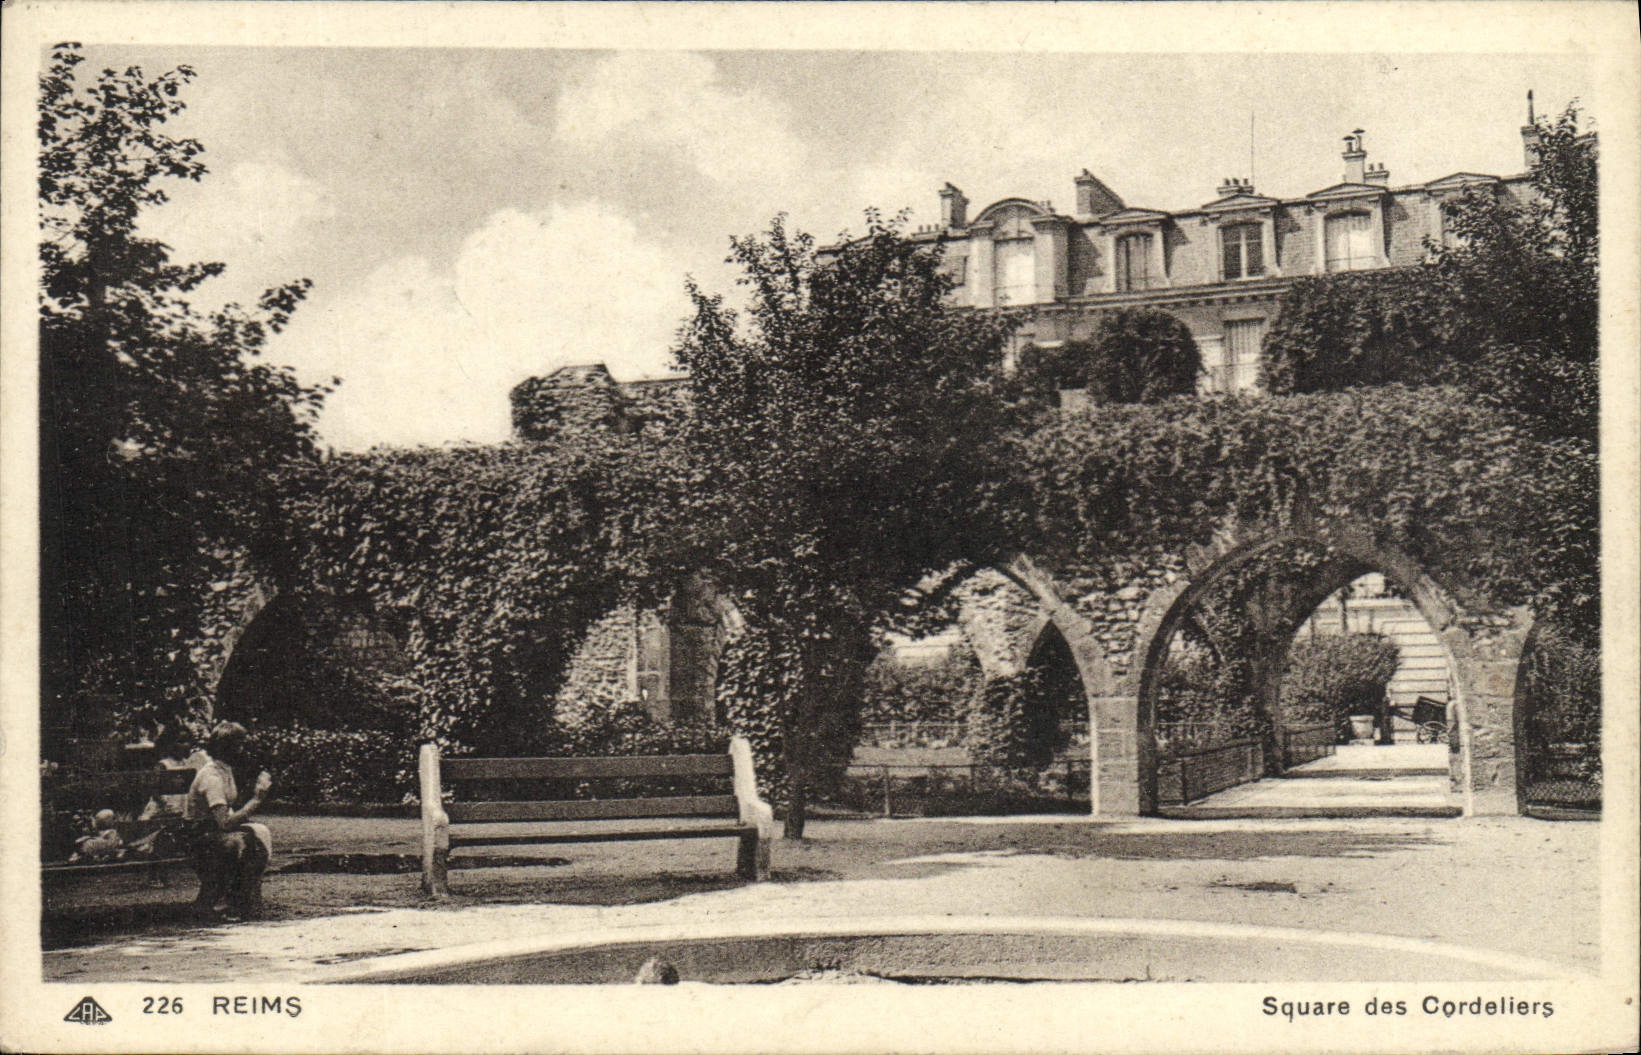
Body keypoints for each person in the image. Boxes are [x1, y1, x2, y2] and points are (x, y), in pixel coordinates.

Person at [184, 722, 273, 921]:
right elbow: (224, 822)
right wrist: (257, 799)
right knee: (238, 842)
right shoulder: (211, 776)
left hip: (212, 831)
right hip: (197, 835)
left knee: (255, 837)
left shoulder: (225, 770)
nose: (243, 751)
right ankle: (223, 902)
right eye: (239, 745)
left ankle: (240, 900)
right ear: (226, 748)